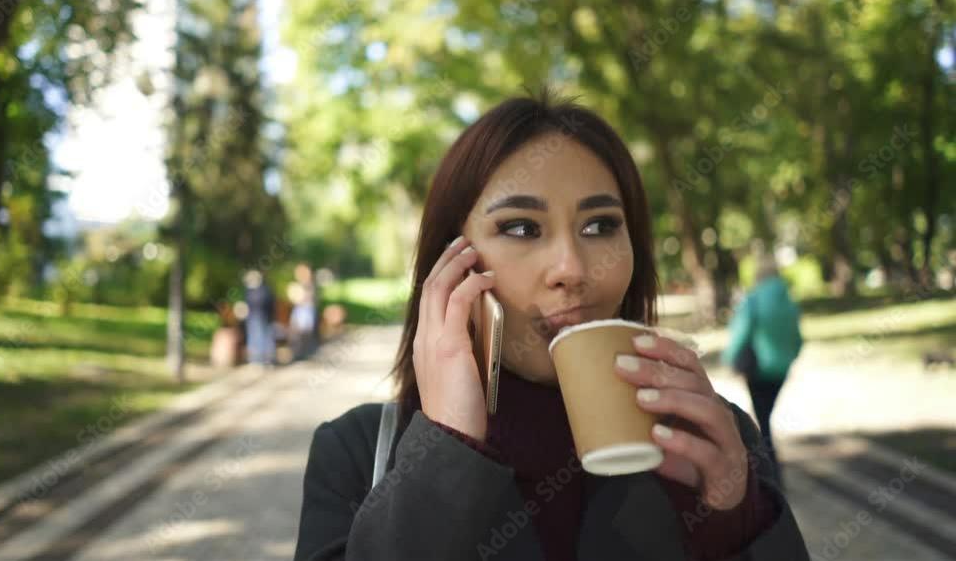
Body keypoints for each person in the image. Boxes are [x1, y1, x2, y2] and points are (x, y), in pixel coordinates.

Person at [295, 90, 809, 560]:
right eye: (521, 227)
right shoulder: (357, 453)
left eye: (600, 225)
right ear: (451, 265)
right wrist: (447, 447)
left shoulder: (712, 440)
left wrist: (734, 523)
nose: (573, 270)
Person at [721, 256, 804, 489]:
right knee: (766, 418)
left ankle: (772, 475)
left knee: (762, 422)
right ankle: (774, 472)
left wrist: (729, 360)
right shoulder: (789, 302)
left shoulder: (753, 300)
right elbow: (798, 339)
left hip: (757, 370)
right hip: (781, 370)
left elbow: (740, 333)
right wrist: (789, 359)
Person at [243, 269, 276, 367]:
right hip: (253, 318)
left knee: (265, 340)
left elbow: (268, 304)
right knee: (254, 340)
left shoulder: (264, 290)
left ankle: (267, 360)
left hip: (264, 318)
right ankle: (256, 360)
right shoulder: (249, 291)